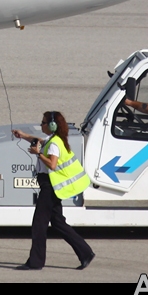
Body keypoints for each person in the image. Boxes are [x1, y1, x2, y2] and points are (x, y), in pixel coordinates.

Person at [12, 111, 94, 270]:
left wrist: (38, 154)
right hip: (51, 187)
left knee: (39, 225)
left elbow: (52, 164)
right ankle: (85, 253)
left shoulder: (55, 144)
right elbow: (41, 142)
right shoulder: (54, 140)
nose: (41, 125)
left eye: (43, 123)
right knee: (57, 223)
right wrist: (23, 135)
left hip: (50, 188)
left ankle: (35, 262)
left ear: (52, 126)